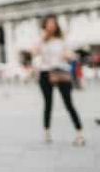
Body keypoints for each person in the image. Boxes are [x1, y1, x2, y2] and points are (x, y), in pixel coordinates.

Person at [31, 15, 85, 146]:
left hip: (61, 72)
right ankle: (47, 132)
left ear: (56, 26)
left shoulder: (62, 39)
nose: (51, 26)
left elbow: (71, 54)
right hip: (45, 72)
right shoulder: (42, 40)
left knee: (68, 103)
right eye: (48, 24)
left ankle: (79, 133)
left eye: (53, 23)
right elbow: (34, 53)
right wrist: (41, 40)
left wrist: (69, 55)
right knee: (48, 103)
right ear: (44, 26)